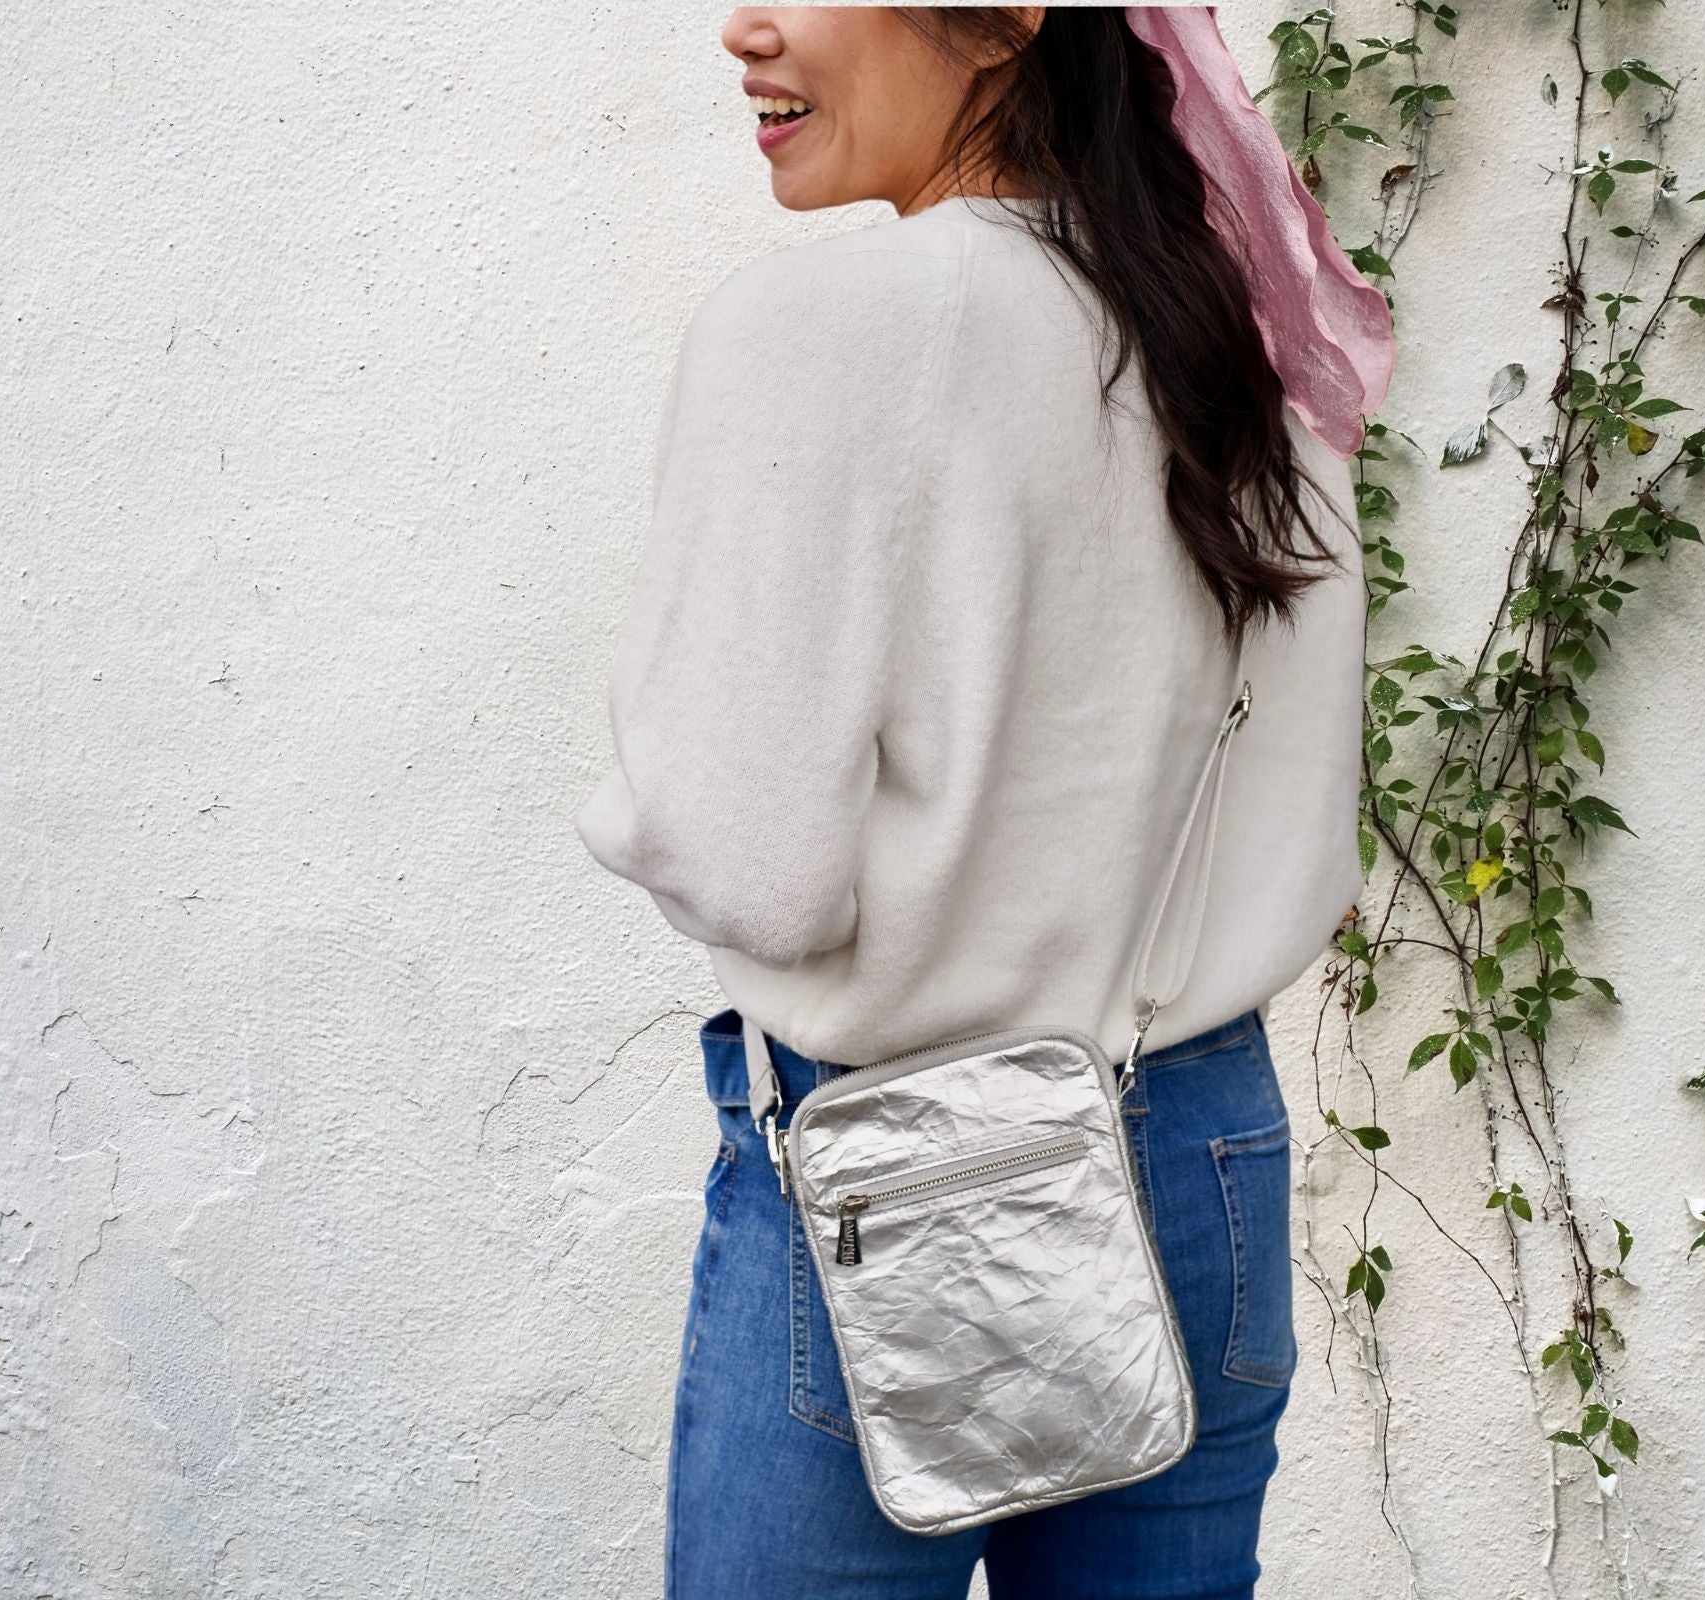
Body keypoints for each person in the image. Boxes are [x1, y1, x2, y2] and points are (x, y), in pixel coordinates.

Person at [575, 8, 1394, 1596]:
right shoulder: (1232, 333)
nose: (741, 28)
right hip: (1201, 1149)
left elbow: (750, 862)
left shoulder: (817, 327)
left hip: (903, 1170)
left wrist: (634, 807)